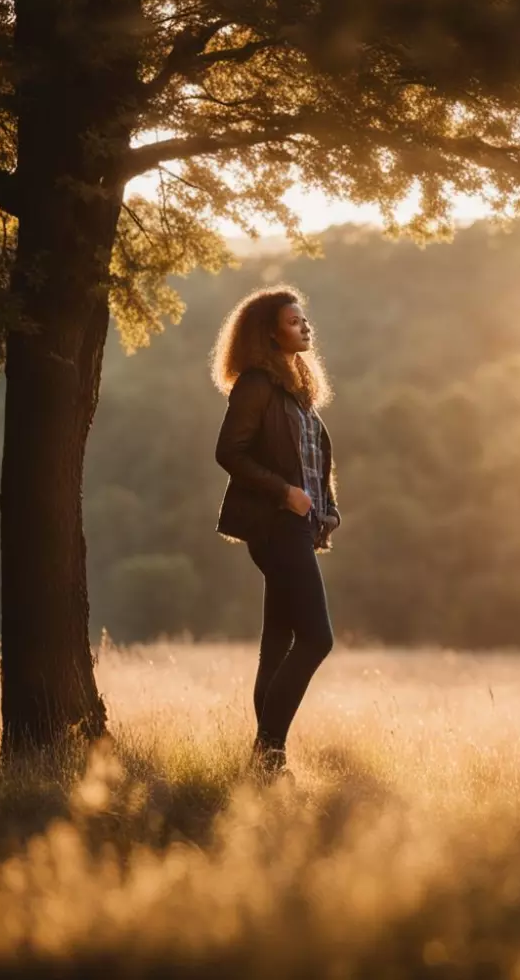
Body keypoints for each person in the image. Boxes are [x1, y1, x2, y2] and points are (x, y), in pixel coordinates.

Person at [211, 286, 340, 784]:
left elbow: (311, 464)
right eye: (293, 321)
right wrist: (285, 493)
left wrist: (327, 508)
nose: (304, 326)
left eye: (304, 319)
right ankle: (269, 754)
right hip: (274, 526)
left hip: (298, 528)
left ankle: (266, 762)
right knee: (316, 639)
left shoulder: (297, 391)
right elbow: (229, 452)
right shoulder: (257, 384)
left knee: (280, 641)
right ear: (269, 332)